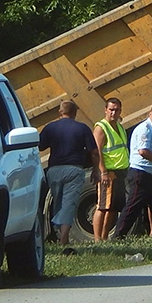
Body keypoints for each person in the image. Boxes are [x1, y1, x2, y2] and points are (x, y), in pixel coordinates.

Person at [38, 100, 100, 252]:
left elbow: (40, 146)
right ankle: (64, 237)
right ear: (75, 112)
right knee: (69, 203)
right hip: (74, 169)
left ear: (60, 112)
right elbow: (94, 151)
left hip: (54, 170)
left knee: (57, 202)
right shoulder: (82, 128)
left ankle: (58, 232)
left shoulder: (50, 128)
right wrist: (96, 170)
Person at [112, 104, 152, 238]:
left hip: (151, 174)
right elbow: (143, 152)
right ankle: (118, 236)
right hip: (140, 173)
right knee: (133, 206)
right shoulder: (144, 129)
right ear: (149, 114)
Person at [92, 97, 129, 241]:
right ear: (105, 110)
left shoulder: (119, 126)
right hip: (108, 173)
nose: (114, 113)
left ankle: (105, 236)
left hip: (120, 172)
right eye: (111, 110)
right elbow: (97, 152)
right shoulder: (101, 127)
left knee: (113, 208)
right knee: (102, 206)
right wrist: (103, 172)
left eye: (117, 110)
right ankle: (97, 239)